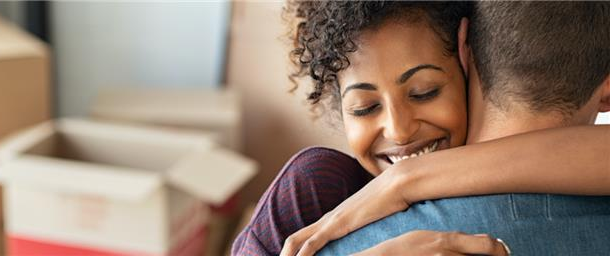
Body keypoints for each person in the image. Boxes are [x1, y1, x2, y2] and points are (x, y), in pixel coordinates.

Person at [231, 1, 610, 255]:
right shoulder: (315, 185)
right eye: (364, 108)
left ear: (465, 58)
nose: (399, 131)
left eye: (424, 92)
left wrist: (408, 179)